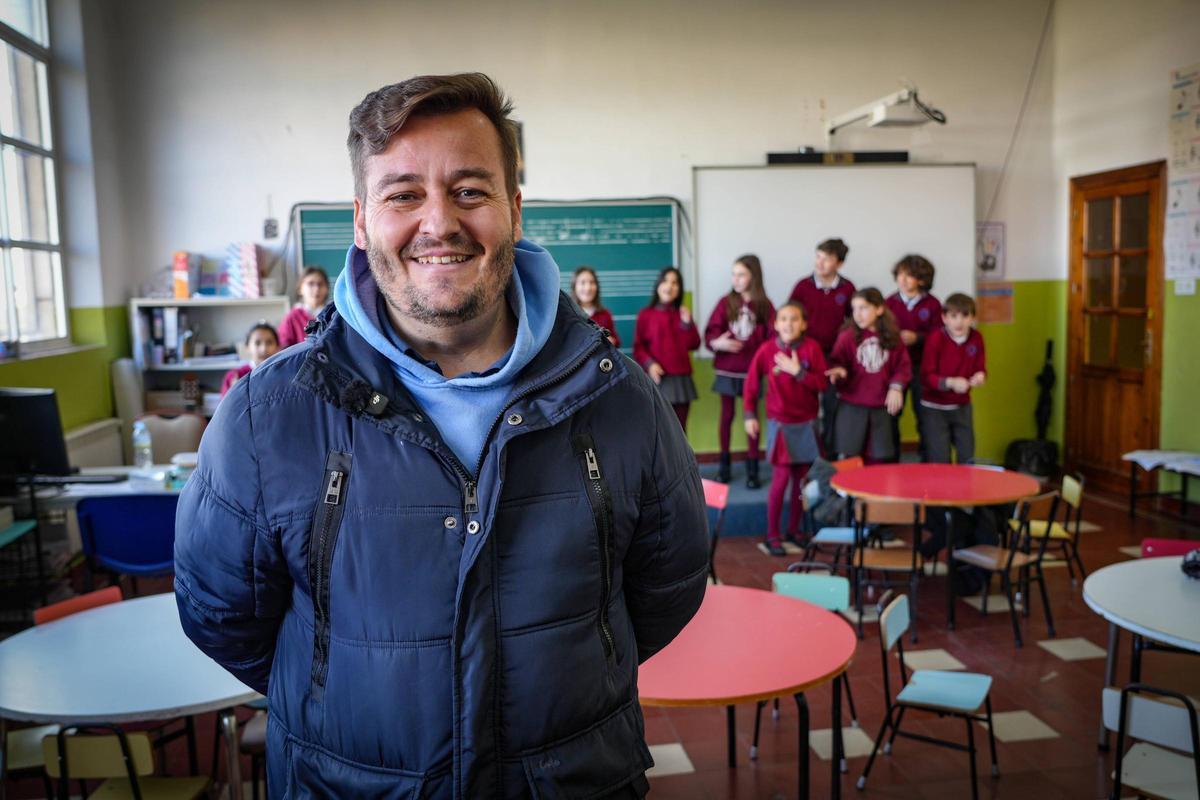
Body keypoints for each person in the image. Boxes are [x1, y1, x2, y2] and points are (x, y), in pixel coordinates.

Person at [174, 73, 708, 799]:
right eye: (403, 194)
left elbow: (668, 586)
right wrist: (347, 704)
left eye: (469, 190)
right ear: (361, 222)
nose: (439, 223)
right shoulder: (267, 415)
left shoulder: (621, 398)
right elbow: (221, 615)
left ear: (514, 210)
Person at [743, 302, 827, 556]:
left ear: (803, 324)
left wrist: (798, 371)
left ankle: (795, 530)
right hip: (780, 424)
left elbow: (822, 383)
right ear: (776, 324)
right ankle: (772, 534)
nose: (788, 323)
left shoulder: (812, 349)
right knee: (780, 481)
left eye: (794, 319)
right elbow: (750, 383)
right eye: (783, 319)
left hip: (807, 423)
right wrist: (749, 414)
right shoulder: (767, 350)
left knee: (802, 481)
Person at [704, 254, 774, 487]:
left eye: (741, 274)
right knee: (726, 417)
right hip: (727, 370)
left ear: (753, 276)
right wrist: (717, 343)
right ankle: (725, 467)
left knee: (751, 418)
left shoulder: (764, 305)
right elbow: (710, 334)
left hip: (751, 373)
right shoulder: (725, 302)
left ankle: (752, 468)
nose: (736, 279)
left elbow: (773, 338)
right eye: (733, 274)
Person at [825, 288, 911, 463]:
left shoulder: (893, 337)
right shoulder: (847, 336)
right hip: (852, 405)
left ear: (879, 309)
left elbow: (903, 367)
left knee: (880, 458)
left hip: (880, 407)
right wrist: (839, 371)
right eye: (854, 309)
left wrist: (896, 387)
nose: (857, 314)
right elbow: (836, 360)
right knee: (851, 458)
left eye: (863, 308)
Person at [788, 238, 856, 451]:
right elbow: (789, 316)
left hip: (832, 357)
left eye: (827, 259)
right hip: (805, 355)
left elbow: (855, 322)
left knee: (831, 405)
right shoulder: (803, 286)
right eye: (818, 256)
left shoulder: (848, 289)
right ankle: (805, 452)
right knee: (804, 405)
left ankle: (828, 453)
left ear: (840, 263)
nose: (820, 262)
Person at [885, 255, 941, 460]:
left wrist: (917, 338)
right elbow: (882, 333)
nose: (903, 279)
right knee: (891, 414)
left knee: (925, 415)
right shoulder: (889, 302)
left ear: (922, 280)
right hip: (896, 368)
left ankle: (926, 459)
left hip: (921, 368)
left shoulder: (933, 304)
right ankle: (891, 459)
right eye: (900, 274)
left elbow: (939, 336)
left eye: (909, 276)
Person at [920, 292, 986, 464]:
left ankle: (965, 490)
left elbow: (980, 367)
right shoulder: (936, 338)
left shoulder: (976, 338)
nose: (959, 322)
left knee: (967, 455)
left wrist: (980, 376)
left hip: (962, 406)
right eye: (954, 316)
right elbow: (927, 376)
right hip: (935, 407)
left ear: (973, 318)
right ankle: (941, 490)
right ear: (944, 318)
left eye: (965, 316)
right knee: (940, 458)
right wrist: (950, 382)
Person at [634, 266, 701, 431]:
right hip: (659, 379)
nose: (669, 286)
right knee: (659, 430)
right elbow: (639, 347)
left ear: (679, 289)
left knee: (680, 429)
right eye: (665, 281)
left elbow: (694, 344)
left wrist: (687, 323)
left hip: (681, 380)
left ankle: (681, 458)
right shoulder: (646, 314)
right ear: (658, 285)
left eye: (675, 283)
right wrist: (650, 364)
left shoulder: (682, 314)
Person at [277, 266, 331, 348]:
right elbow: (283, 346)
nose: (316, 289)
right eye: (311, 284)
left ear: (327, 288)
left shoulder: (333, 314)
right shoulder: (293, 316)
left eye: (320, 284)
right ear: (300, 289)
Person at [219, 322, 278, 396]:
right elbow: (226, 406)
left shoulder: (283, 374)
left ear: (277, 347)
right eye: (257, 343)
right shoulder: (235, 376)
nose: (263, 349)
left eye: (269, 342)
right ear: (247, 347)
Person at [571, 265, 620, 347]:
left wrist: (610, 341)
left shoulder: (605, 314)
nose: (588, 288)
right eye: (582, 282)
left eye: (592, 282)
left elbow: (616, 342)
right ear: (574, 287)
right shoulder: (569, 315)